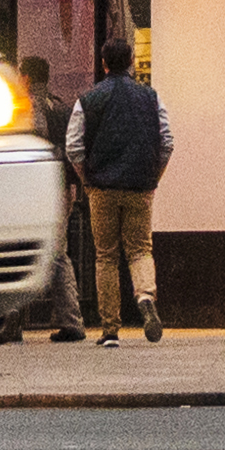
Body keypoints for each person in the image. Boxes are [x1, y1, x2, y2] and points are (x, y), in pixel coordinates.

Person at [67, 43, 173, 341]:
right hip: (141, 186)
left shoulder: (88, 99)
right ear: (131, 62)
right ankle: (145, 298)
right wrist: (154, 176)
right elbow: (167, 141)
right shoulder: (150, 97)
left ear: (103, 64)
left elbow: (73, 146)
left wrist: (87, 179)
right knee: (140, 249)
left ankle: (110, 329)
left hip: (101, 187)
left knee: (106, 256)